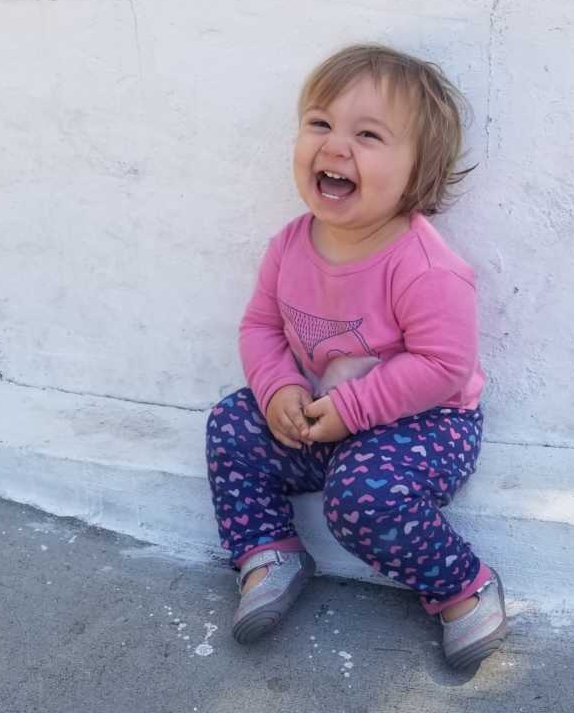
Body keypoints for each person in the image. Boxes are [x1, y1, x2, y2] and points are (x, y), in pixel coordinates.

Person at [205, 44, 507, 669]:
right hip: (319, 413)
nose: (335, 146)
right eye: (320, 124)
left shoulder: (423, 266)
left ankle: (461, 585)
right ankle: (269, 551)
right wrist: (278, 390)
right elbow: (260, 326)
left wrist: (352, 409)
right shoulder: (289, 245)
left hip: (424, 425)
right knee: (231, 426)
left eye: (367, 135)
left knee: (361, 494)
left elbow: (442, 365)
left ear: (418, 170)